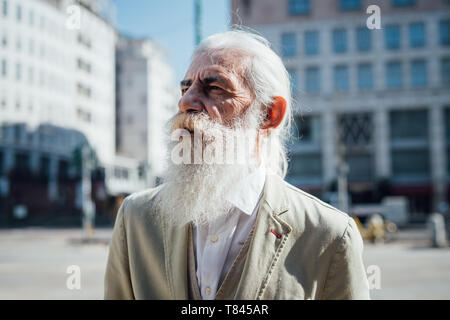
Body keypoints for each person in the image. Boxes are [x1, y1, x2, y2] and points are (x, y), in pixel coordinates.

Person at [104, 29, 370, 300]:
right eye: (185, 88)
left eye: (215, 88)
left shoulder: (329, 236)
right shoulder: (135, 219)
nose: (185, 102)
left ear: (269, 114)